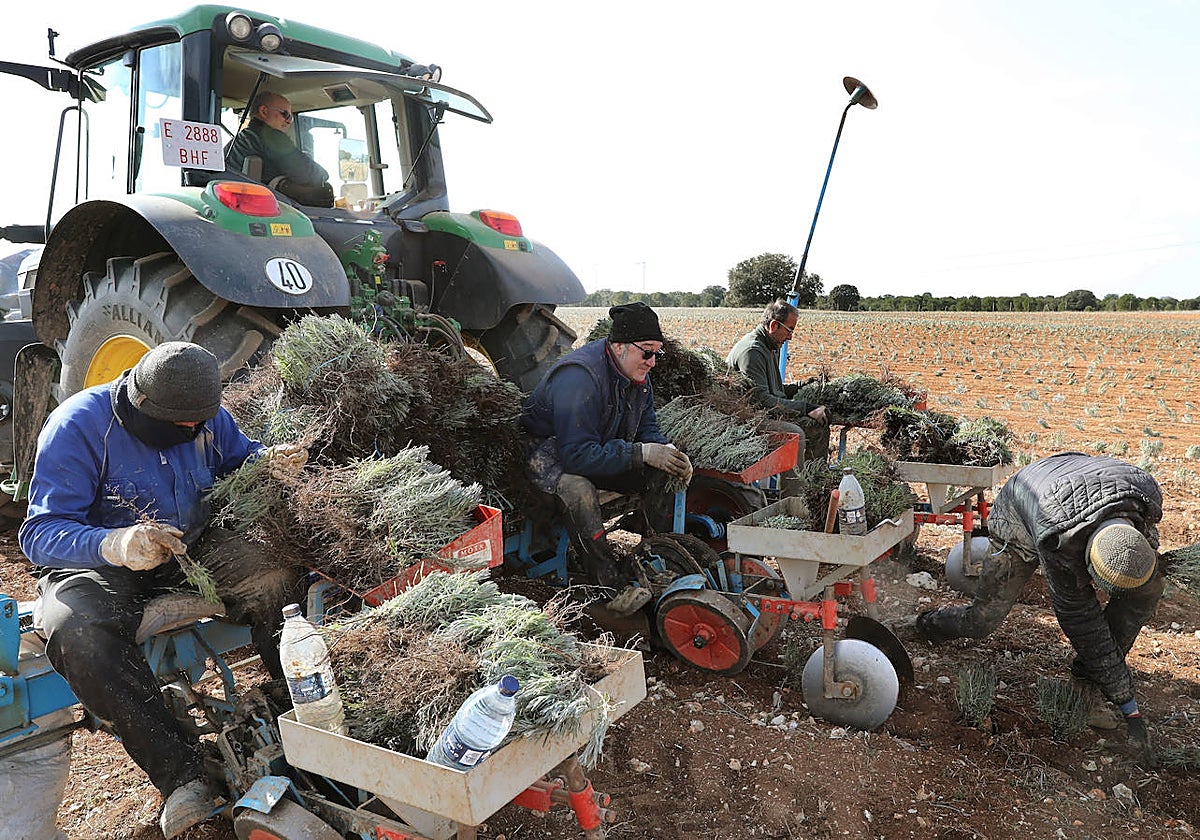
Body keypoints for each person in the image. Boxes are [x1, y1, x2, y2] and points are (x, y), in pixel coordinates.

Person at [19, 342, 310, 838]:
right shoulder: (79, 427)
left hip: (189, 548)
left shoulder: (203, 416)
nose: (194, 434)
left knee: (278, 577)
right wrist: (115, 543)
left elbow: (236, 459)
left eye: (200, 426)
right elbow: (40, 533)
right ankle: (182, 777)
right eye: (182, 430)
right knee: (77, 633)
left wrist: (266, 463)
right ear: (143, 406)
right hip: (101, 562)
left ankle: (303, 722)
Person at [903, 452, 1163, 765]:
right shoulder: (1059, 541)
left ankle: (1086, 684)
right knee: (983, 619)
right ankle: (927, 625)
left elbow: (1145, 544)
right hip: (1021, 510)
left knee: (1146, 590)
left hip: (1078, 485)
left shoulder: (1145, 493)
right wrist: (1129, 708)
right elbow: (1083, 622)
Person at [521, 302, 693, 616]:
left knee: (661, 471)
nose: (652, 362)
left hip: (596, 449)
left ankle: (657, 557)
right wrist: (639, 453)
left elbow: (646, 426)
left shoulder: (636, 374)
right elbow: (574, 457)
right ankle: (607, 582)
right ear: (619, 346)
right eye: (647, 352)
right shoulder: (579, 377)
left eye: (657, 353)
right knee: (579, 491)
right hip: (550, 457)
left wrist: (665, 451)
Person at [726, 299, 831, 486]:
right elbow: (761, 400)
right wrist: (805, 407)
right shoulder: (753, 351)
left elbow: (775, 390)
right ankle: (794, 500)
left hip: (764, 410)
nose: (790, 337)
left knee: (818, 427)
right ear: (774, 325)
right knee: (794, 435)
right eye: (789, 330)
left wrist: (802, 385)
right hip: (750, 416)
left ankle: (815, 485)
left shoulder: (769, 346)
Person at [224, 91, 332, 205]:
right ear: (264, 111)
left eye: (291, 117)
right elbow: (309, 174)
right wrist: (324, 174)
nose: (289, 121)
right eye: (285, 114)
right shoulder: (272, 136)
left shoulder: (236, 142)